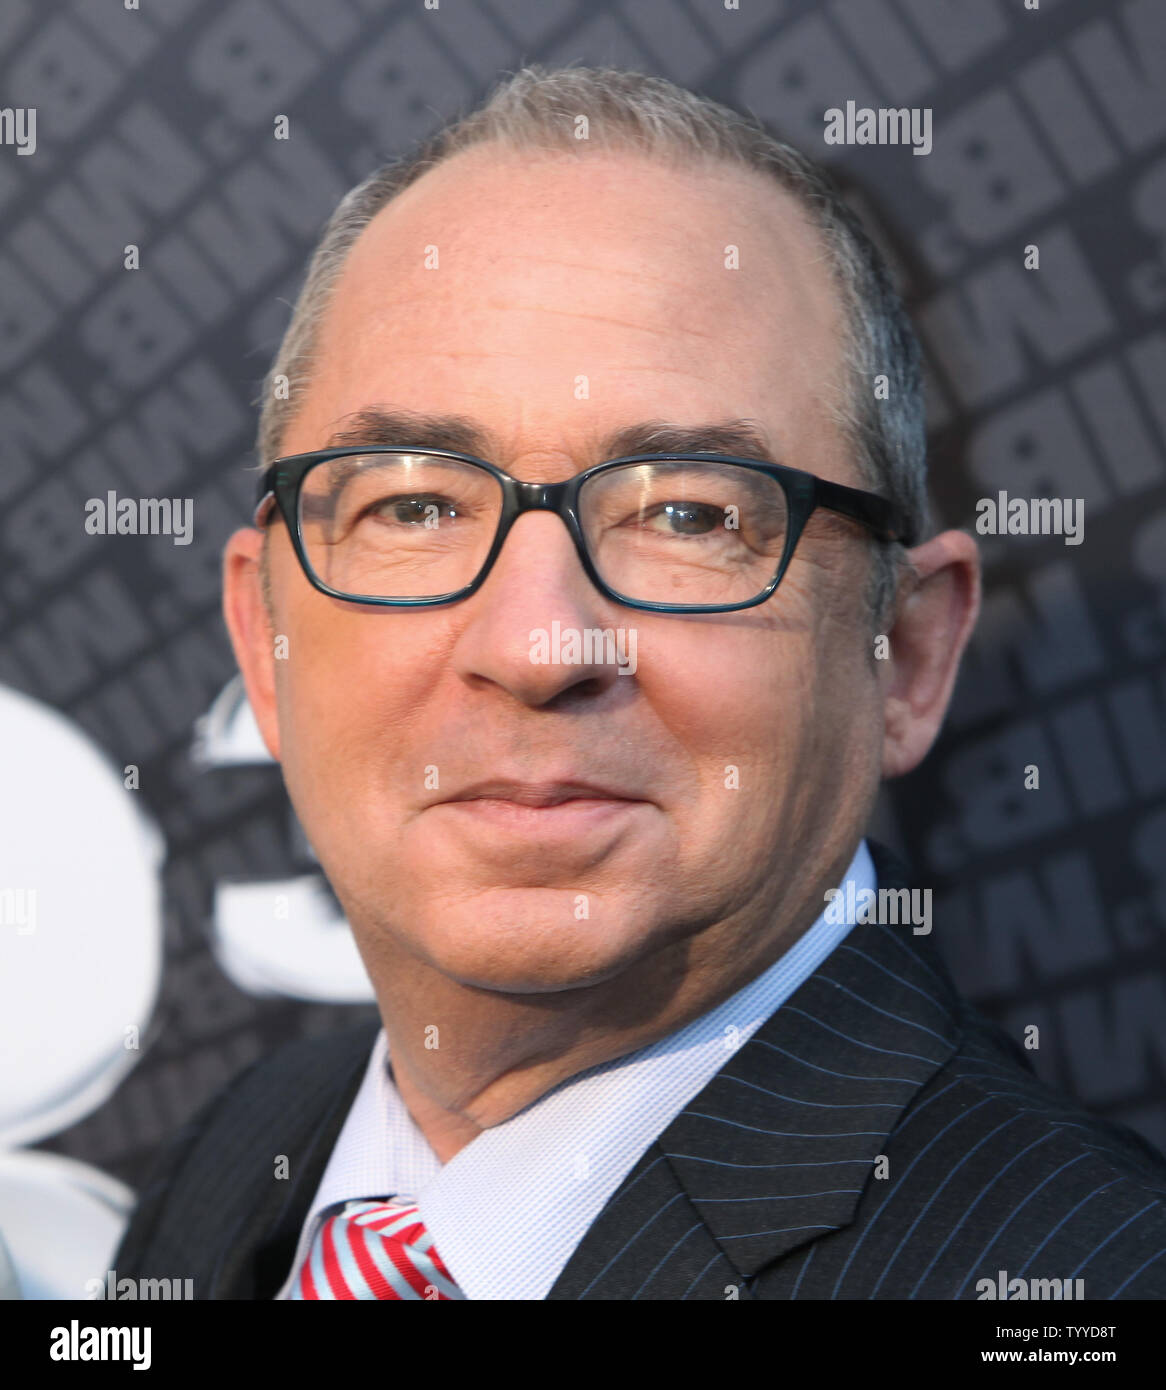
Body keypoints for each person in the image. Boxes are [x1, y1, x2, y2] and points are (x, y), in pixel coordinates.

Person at [114, 64, 1166, 1300]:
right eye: (412, 502)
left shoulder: (1084, 1282)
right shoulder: (243, 1152)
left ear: (905, 655)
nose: (534, 647)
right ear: (264, 641)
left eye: (684, 513)